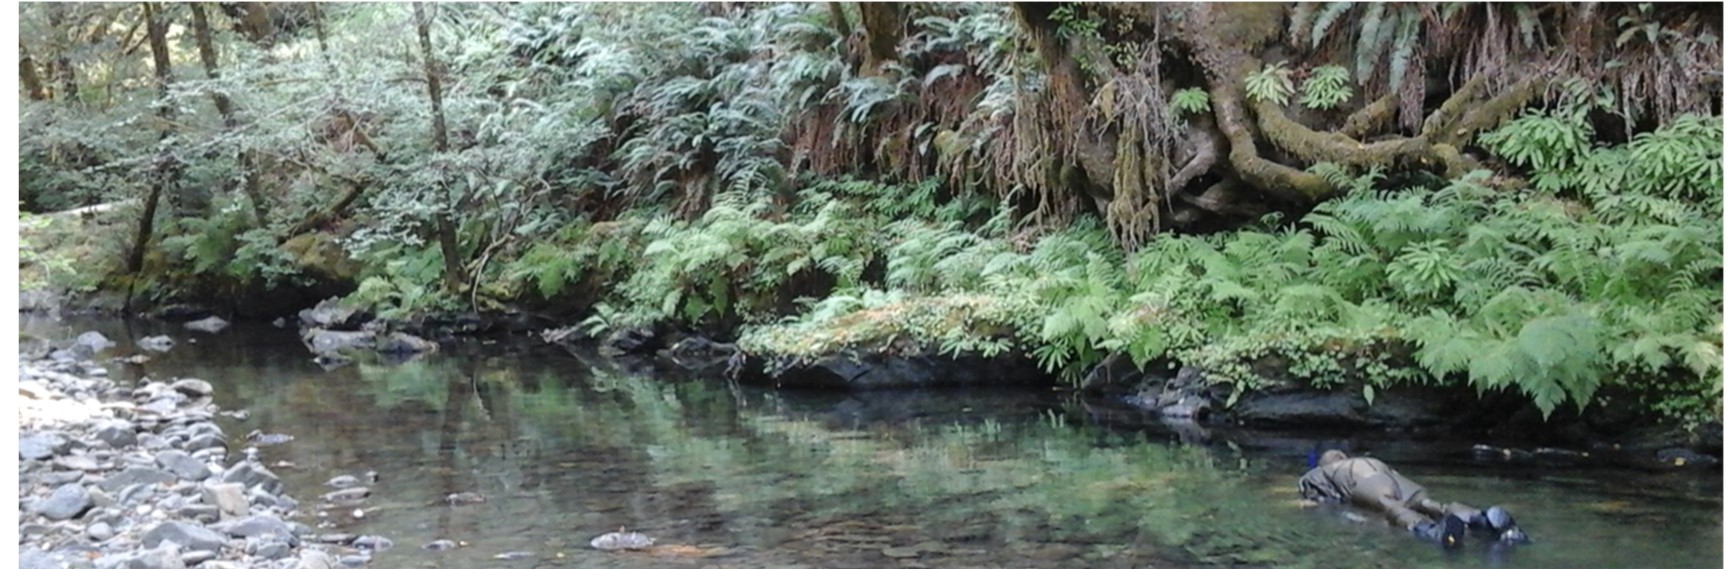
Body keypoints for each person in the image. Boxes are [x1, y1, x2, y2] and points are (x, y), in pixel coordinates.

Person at [1298, 449, 1529, 548]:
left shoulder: (1318, 474)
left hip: (1368, 483)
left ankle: (1428, 530)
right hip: (1394, 477)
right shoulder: (1368, 459)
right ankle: (1481, 518)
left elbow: (1312, 501)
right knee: (1429, 504)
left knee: (1389, 505)